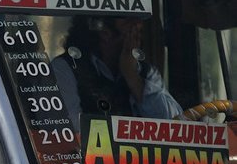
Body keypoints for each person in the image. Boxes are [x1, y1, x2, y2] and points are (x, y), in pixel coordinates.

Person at [52, 15, 183, 131]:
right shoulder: (65, 69)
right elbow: (68, 129)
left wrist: (133, 78)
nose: (137, 25)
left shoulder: (144, 72)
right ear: (104, 32)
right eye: (127, 19)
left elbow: (176, 126)